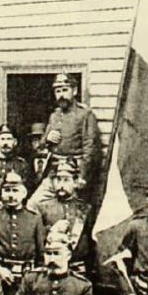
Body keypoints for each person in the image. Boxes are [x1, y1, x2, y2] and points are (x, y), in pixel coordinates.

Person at [29, 74, 100, 206]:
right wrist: (47, 139)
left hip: (74, 172)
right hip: (54, 171)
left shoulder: (85, 114)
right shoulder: (54, 115)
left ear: (74, 91)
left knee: (71, 209)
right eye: (58, 91)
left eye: (65, 90)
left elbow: (90, 148)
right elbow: (42, 144)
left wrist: (82, 177)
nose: (61, 95)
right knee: (33, 204)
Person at [36, 160, 91, 272]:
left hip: (78, 268)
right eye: (58, 180)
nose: (61, 185)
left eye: (66, 180)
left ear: (75, 182)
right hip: (52, 267)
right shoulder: (44, 207)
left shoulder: (85, 209)